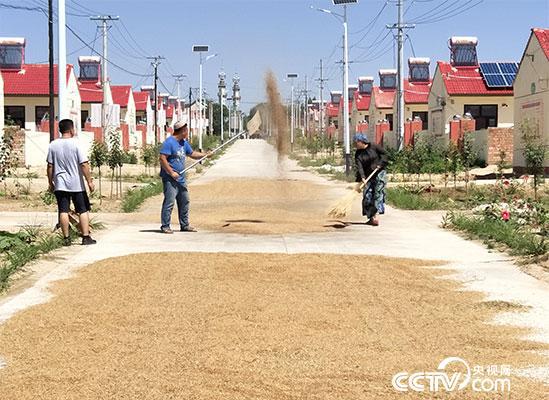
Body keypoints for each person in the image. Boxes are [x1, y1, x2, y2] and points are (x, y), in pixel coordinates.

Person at [46, 119, 96, 245]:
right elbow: (84, 164)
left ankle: (66, 238)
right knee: (82, 210)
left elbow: (50, 166)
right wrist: (89, 181)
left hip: (60, 183)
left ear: (60, 130)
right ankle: (85, 237)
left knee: (63, 210)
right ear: (71, 129)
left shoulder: (53, 145)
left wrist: (50, 182)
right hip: (76, 184)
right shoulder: (76, 144)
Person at [159, 122, 210, 234]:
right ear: (182, 131)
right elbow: (162, 158)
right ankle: (165, 226)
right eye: (186, 130)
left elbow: (192, 154)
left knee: (184, 201)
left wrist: (205, 155)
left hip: (181, 178)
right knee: (170, 201)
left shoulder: (184, 143)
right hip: (170, 179)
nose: (188, 132)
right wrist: (171, 172)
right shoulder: (169, 142)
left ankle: (184, 225)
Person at [354, 133, 388, 226]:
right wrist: (363, 177)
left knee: (378, 194)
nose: (355, 144)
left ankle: (376, 216)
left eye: (356, 142)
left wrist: (380, 164)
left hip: (379, 173)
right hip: (368, 176)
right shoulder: (358, 153)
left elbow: (385, 155)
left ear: (361, 142)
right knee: (367, 196)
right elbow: (359, 166)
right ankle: (371, 217)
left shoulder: (374, 146)